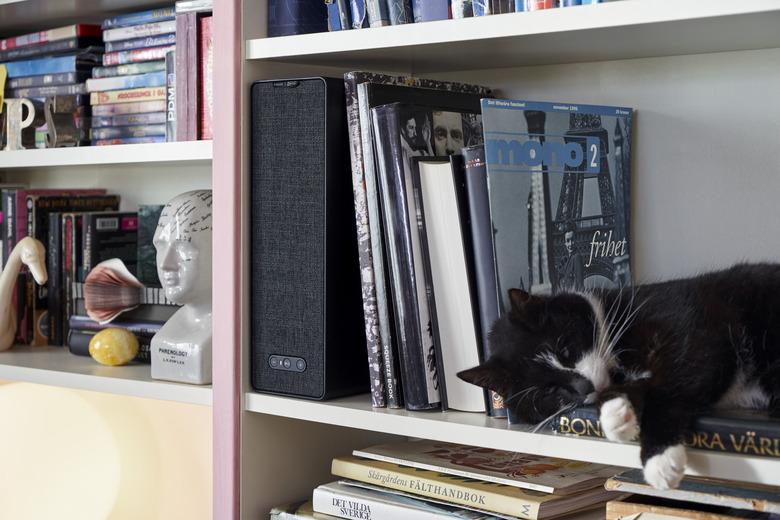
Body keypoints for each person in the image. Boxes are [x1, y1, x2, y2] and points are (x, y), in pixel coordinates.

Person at [151, 190, 213, 385]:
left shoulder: (239, 330)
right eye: (160, 246)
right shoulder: (171, 329)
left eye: (183, 248)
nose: (165, 264)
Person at [559, 225, 585, 291]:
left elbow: (580, 286)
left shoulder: (577, 257)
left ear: (576, 239)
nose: (570, 244)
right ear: (564, 243)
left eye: (572, 240)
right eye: (567, 241)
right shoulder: (565, 259)